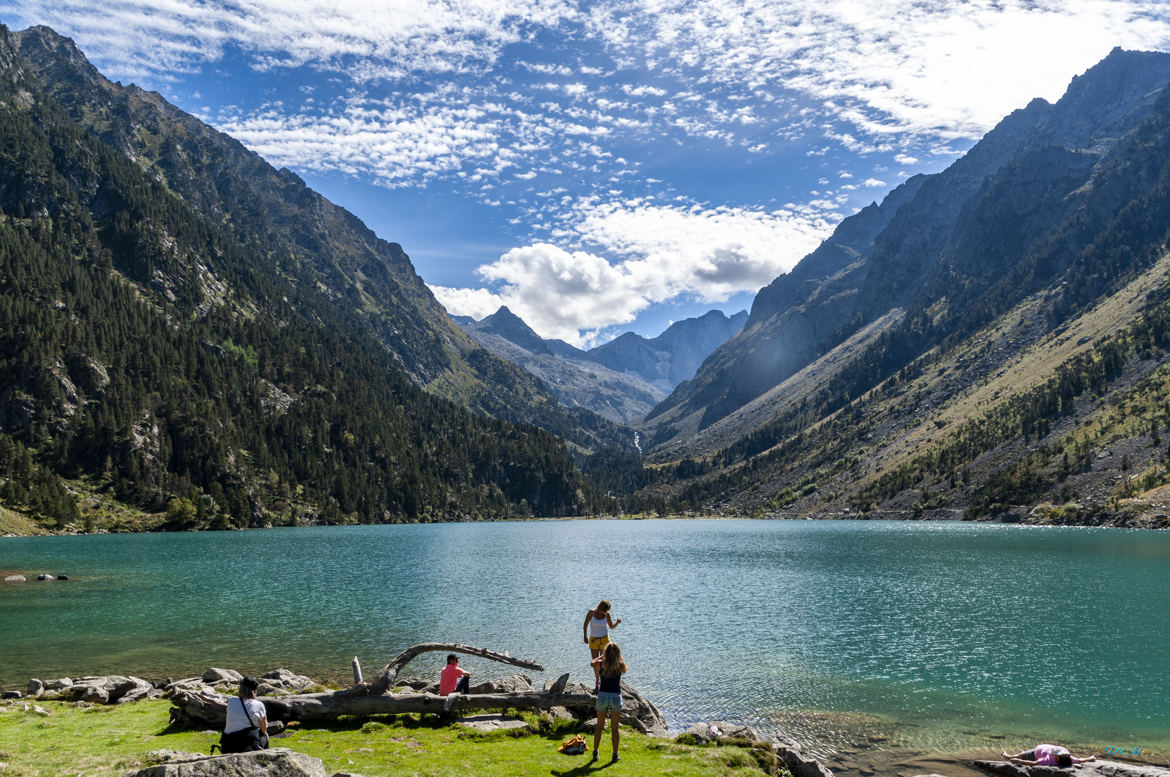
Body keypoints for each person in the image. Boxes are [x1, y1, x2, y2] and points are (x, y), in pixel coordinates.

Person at [591, 642, 627, 763]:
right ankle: (615, 755)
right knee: (614, 728)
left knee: (599, 726)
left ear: (606, 652)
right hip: (616, 697)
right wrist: (618, 656)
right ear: (618, 653)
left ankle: (595, 752)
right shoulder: (620, 664)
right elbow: (625, 668)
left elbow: (592, 662)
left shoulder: (601, 664)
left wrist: (601, 656)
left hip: (602, 696)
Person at [217, 676, 268, 753]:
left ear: (240, 690)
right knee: (264, 736)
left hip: (228, 744)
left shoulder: (231, 701)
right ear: (254, 691)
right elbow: (264, 727)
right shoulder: (259, 705)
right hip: (247, 744)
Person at [583, 599, 621, 688]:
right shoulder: (591, 613)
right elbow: (585, 625)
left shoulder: (607, 614)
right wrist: (585, 636)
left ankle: (604, 682)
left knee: (604, 662)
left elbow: (611, 627)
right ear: (600, 606)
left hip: (605, 641)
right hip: (594, 641)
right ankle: (597, 682)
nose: (605, 612)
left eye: (606, 611)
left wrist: (617, 623)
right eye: (604, 610)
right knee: (596, 663)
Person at [1002, 744, 1097, 768]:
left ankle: (1007, 756)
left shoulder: (1048, 760)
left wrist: (1018, 761)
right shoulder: (1069, 759)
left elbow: (1034, 763)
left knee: (1020, 755)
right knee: (1022, 754)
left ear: (1056, 757)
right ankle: (1016, 755)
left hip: (1035, 754)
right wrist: (1090, 758)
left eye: (1055, 754)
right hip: (1042, 748)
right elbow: (1080, 760)